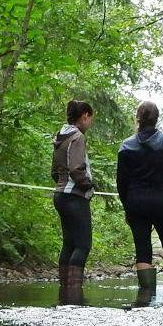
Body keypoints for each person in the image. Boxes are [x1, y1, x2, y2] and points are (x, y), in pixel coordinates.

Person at [116, 100, 163, 295]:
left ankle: (145, 298)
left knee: (143, 252)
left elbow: (121, 182)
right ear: (156, 119)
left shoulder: (126, 146)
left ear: (137, 119)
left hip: (136, 203)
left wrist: (127, 207)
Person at [52, 100, 98, 292]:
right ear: (85, 116)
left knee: (69, 244)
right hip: (75, 197)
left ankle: (64, 292)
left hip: (60, 196)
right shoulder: (77, 136)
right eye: (90, 119)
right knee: (83, 245)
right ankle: (73, 294)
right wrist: (89, 185)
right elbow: (77, 169)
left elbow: (54, 172)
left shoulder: (60, 136)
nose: (90, 123)